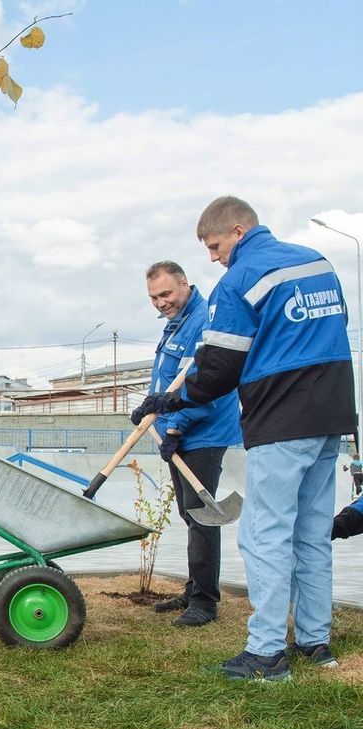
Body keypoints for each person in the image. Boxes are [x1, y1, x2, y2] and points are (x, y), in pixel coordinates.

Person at [132, 197, 354, 681]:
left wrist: (170, 402)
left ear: (237, 230)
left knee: (264, 535)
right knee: (311, 534)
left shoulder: (240, 280)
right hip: (332, 414)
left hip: (281, 418)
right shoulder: (319, 262)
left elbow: (218, 370)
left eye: (214, 246)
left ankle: (266, 653)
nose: (214, 257)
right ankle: (316, 643)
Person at [141, 260, 242, 627]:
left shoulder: (201, 320)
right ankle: (193, 588)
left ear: (184, 284)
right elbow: (167, 380)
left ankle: (204, 602)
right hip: (176, 431)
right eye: (153, 297)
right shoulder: (176, 323)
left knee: (202, 517)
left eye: (165, 293)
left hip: (201, 432)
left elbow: (202, 384)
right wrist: (150, 408)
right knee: (189, 513)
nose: (160, 302)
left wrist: (176, 428)